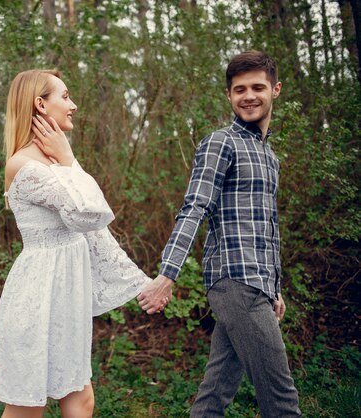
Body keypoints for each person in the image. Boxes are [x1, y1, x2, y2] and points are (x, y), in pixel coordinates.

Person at [137, 51, 302, 417]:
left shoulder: (268, 155)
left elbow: (263, 227)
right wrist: (168, 274)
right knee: (282, 400)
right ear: (229, 95)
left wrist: (273, 286)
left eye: (258, 87)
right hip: (234, 281)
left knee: (215, 394)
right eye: (239, 89)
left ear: (275, 90)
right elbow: (195, 207)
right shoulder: (220, 142)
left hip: (256, 283)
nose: (249, 96)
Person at [0, 69, 157, 418]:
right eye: (65, 96)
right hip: (37, 298)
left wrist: (141, 281)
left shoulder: (58, 164)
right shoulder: (24, 167)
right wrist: (69, 160)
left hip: (66, 298)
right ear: (40, 104)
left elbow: (94, 231)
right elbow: (90, 213)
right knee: (26, 409)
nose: (74, 105)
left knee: (80, 401)